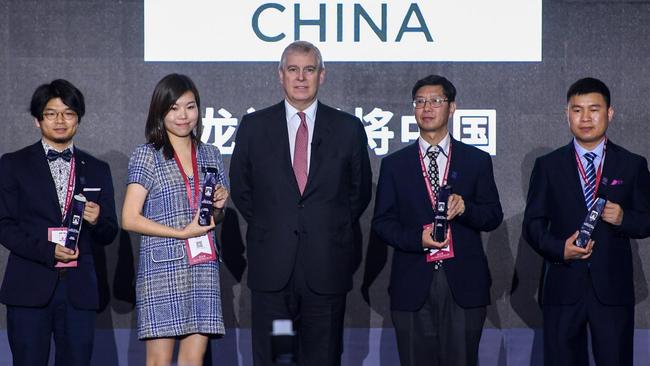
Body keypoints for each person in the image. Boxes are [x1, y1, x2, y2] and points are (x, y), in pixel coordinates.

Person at [229, 40, 372, 365]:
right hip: (274, 275)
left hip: (326, 269)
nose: (301, 77)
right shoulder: (255, 127)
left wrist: (323, 224)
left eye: (309, 69)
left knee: (322, 357)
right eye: (293, 69)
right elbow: (242, 189)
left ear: (322, 75)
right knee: (279, 357)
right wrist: (277, 221)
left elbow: (358, 192)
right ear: (281, 75)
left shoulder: (347, 129)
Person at [372, 74, 503, 366]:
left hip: (463, 285)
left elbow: (493, 216)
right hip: (412, 283)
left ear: (452, 107)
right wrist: (417, 239)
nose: (427, 107)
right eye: (420, 102)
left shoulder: (476, 160)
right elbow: (382, 223)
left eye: (435, 101)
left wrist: (466, 208)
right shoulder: (395, 164)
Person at [523, 77, 650, 366]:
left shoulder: (632, 164)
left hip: (612, 290)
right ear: (566, 114)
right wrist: (559, 249)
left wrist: (623, 218)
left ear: (610, 113)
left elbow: (647, 220)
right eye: (577, 110)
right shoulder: (548, 165)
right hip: (563, 287)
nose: (585, 118)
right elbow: (532, 225)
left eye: (594, 109)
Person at [0, 79, 118, 365]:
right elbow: (4, 225)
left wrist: (98, 218)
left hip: (79, 291)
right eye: (51, 113)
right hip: (29, 287)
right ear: (37, 121)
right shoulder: (13, 164)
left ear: (78, 118)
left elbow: (109, 232)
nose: (60, 120)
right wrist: (48, 250)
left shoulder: (98, 169)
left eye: (68, 113)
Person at [121, 73, 229, 365]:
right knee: (158, 361)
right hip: (162, 268)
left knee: (193, 361)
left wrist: (219, 206)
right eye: (174, 108)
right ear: (160, 111)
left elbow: (211, 217)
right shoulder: (147, 155)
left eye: (190, 106)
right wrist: (181, 233)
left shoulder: (211, 154)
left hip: (203, 265)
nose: (183, 115)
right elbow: (129, 218)